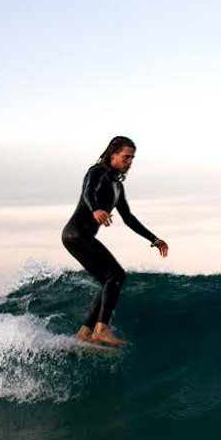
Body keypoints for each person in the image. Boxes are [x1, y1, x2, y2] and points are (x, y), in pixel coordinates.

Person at [61, 136, 169, 347]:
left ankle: (85, 332)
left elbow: (128, 218)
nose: (129, 162)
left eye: (132, 158)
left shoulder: (117, 186)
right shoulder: (97, 171)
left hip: (78, 237)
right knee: (117, 274)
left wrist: (154, 239)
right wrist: (96, 209)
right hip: (76, 233)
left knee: (109, 280)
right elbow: (89, 191)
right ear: (113, 154)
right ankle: (101, 330)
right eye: (126, 157)